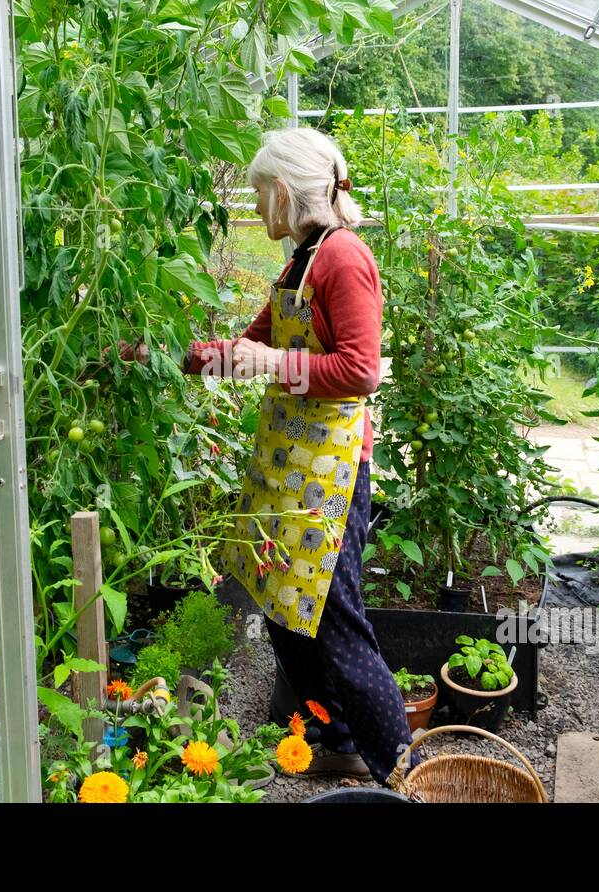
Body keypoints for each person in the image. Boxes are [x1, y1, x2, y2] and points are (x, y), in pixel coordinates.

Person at [133, 128, 416, 783]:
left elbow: (362, 369)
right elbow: (245, 347)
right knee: (289, 617)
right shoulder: (301, 262)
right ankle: (339, 738)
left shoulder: (344, 258)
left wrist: (278, 364)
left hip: (333, 475)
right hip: (295, 468)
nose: (256, 208)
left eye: (260, 195)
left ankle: (404, 770)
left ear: (284, 192)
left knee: (336, 621)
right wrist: (159, 355)